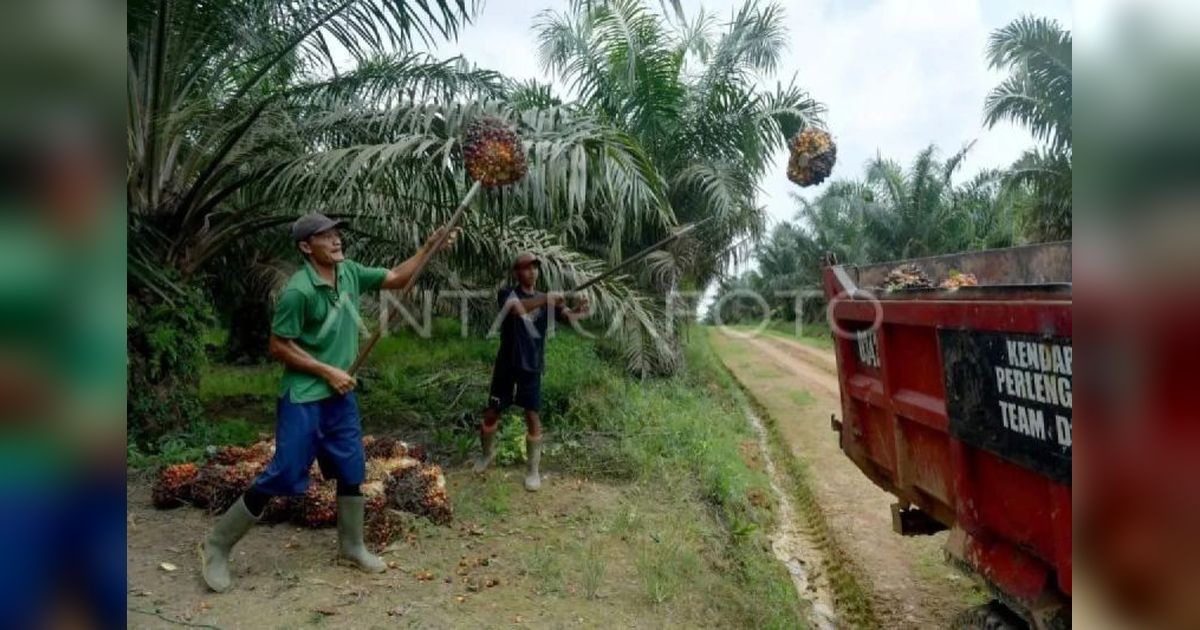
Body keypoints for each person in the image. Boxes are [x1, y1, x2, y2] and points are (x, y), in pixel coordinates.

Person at [200, 213, 457, 593]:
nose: (337, 240)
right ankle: (217, 545)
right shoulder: (298, 292)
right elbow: (278, 346)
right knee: (286, 472)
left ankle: (351, 546)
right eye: (326, 236)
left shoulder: (349, 272)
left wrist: (427, 247)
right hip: (305, 396)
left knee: (352, 468)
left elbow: (396, 278)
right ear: (306, 246)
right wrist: (325, 371)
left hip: (340, 397)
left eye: (337, 234)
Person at [473, 252, 590, 491]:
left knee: (532, 417)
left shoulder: (546, 299)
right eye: (526, 268)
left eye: (534, 267)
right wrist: (547, 299)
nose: (532, 271)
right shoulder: (507, 294)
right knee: (491, 413)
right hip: (507, 365)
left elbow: (568, 317)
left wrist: (580, 310)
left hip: (532, 366)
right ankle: (487, 455)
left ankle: (533, 471)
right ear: (517, 272)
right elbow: (516, 310)